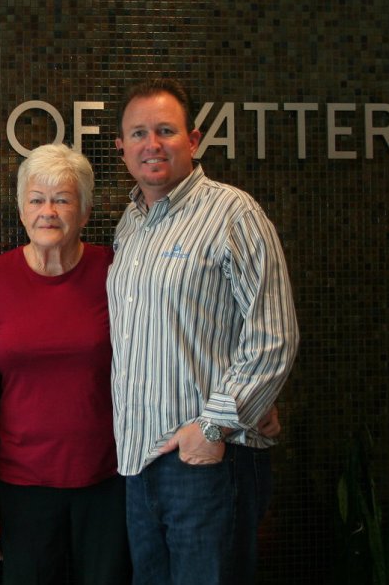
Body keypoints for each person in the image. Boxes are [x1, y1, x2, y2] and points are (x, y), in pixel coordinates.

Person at [108, 78, 299, 585]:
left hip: (209, 461)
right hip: (140, 462)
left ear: (193, 141)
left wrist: (214, 426)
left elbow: (274, 335)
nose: (152, 144)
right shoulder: (130, 223)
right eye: (139, 133)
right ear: (121, 147)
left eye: (166, 131)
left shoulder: (232, 213)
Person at [0, 143, 131, 585]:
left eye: (62, 199)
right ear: (21, 209)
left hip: (107, 481)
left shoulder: (114, 272)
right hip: (22, 488)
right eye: (37, 199)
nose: (48, 211)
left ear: (84, 210)